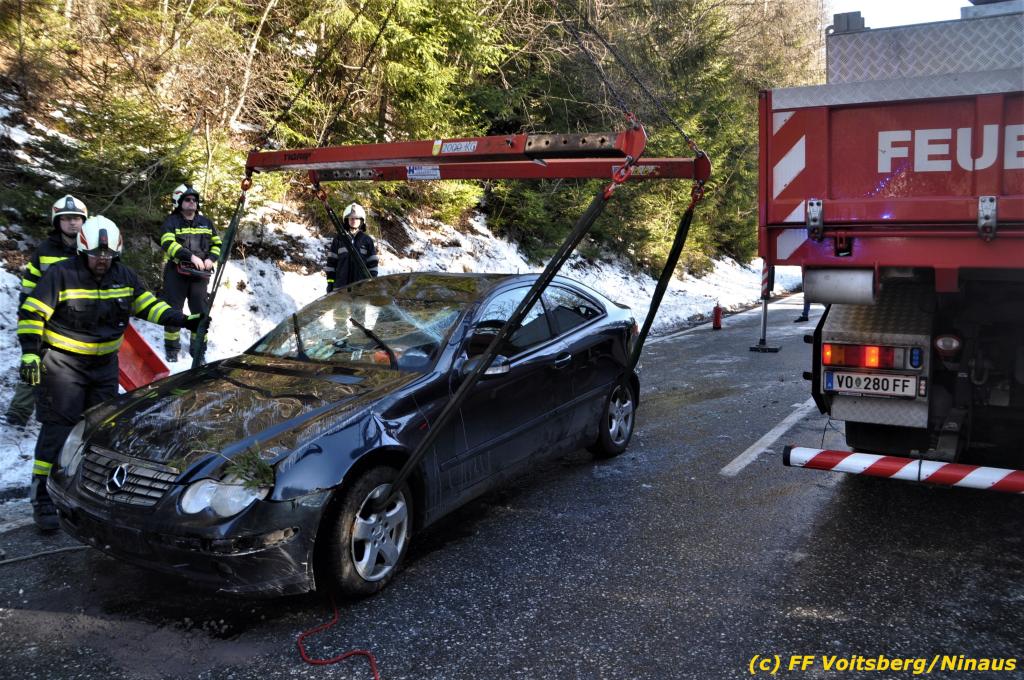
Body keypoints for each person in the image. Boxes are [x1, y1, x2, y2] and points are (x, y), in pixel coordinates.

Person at [17, 216, 204, 532]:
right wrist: (31, 353)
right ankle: (43, 498)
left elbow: (148, 306)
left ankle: (86, 491)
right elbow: (32, 314)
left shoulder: (124, 276)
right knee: (58, 431)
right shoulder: (61, 275)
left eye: (108, 255)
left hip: (104, 368)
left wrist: (184, 320)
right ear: (83, 250)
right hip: (62, 366)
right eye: (96, 255)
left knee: (100, 431)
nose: (102, 260)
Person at [4, 195, 88, 427]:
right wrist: (26, 314)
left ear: (84, 221)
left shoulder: (90, 248)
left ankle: (78, 413)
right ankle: (19, 411)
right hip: (47, 317)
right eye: (66, 218)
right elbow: (29, 287)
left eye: (77, 218)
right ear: (57, 222)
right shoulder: (45, 250)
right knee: (36, 360)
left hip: (80, 320)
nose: (72, 223)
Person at [159, 183, 220, 362]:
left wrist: (211, 259)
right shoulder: (171, 222)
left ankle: (198, 350)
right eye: (187, 199)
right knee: (173, 312)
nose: (192, 202)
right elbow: (167, 243)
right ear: (179, 202)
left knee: (200, 313)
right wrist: (190, 257)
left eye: (194, 199)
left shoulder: (206, 223)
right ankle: (172, 349)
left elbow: (217, 244)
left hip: (200, 276)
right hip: (176, 273)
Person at [325, 202, 378, 293]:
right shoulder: (338, 240)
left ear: (362, 220)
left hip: (361, 290)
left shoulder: (367, 241)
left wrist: (372, 283)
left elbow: (373, 265)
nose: (354, 220)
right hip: (340, 289)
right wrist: (330, 283)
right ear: (347, 220)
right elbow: (331, 264)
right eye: (351, 218)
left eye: (357, 218)